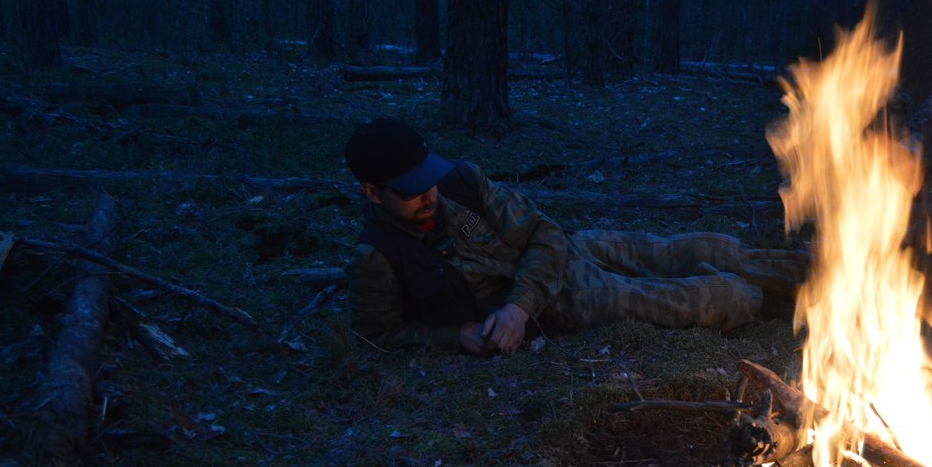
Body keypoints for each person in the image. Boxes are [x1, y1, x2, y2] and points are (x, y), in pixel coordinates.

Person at [343, 117, 807, 356]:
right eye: (410, 191)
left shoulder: (460, 182)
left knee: (704, 246)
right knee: (701, 298)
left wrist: (516, 304)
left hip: (561, 253)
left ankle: (823, 273)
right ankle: (778, 304)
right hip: (561, 300)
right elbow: (380, 334)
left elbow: (543, 231)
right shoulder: (378, 257)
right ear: (372, 193)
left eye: (428, 179)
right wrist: (455, 335)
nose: (428, 195)